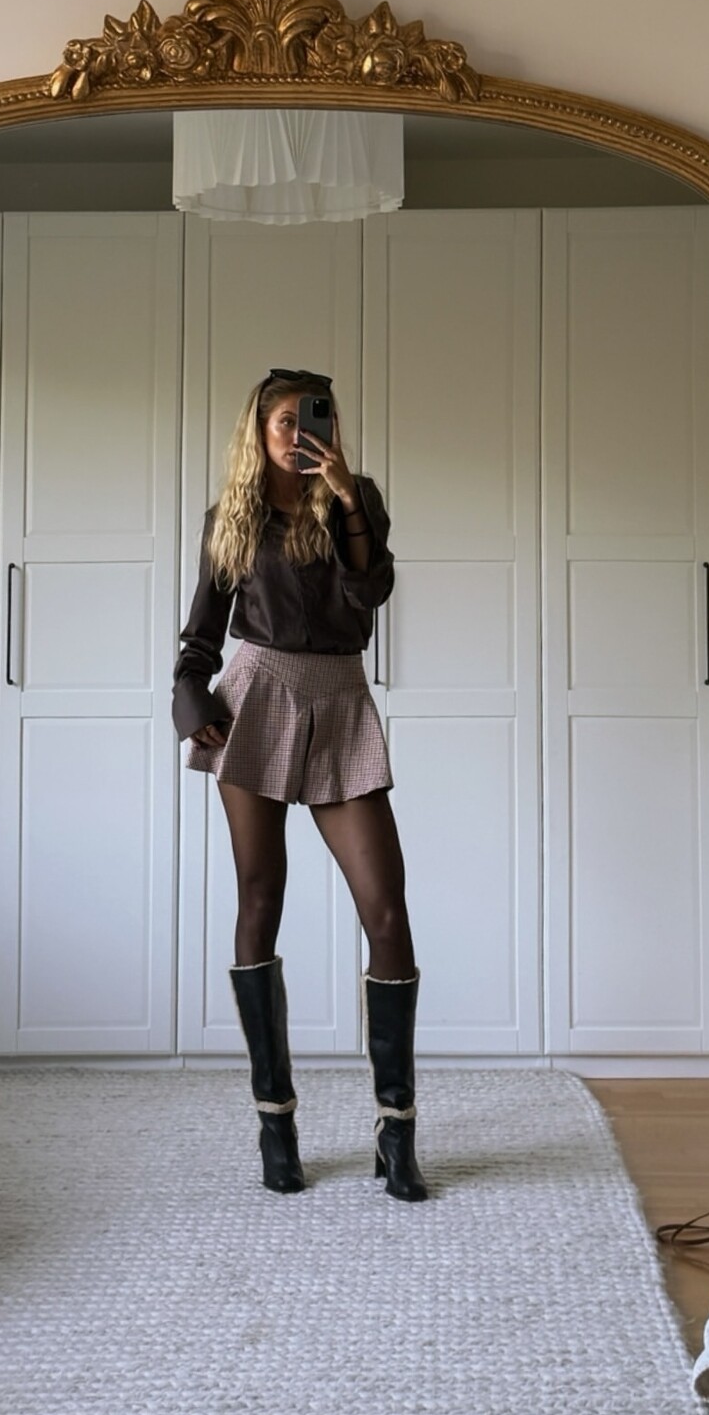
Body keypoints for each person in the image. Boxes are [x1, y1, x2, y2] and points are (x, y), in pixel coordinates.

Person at [172, 369, 428, 1203]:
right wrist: (192, 703)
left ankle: (397, 1130)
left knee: (385, 911)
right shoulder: (232, 518)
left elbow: (369, 594)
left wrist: (347, 497)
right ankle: (275, 1121)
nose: (297, 433)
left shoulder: (359, 500)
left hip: (340, 698)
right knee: (260, 898)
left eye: (312, 419)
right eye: (283, 420)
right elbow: (201, 638)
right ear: (259, 430)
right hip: (258, 697)